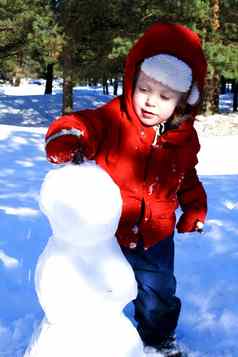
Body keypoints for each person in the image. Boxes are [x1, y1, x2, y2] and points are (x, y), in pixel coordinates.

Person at [44, 22, 207, 356]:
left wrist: (194, 209)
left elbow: (187, 177)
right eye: (144, 89)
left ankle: (159, 339)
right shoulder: (112, 120)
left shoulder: (184, 138)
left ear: (182, 102)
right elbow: (82, 124)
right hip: (109, 233)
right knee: (100, 287)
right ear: (133, 79)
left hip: (155, 235)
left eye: (165, 96)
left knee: (158, 292)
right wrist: (68, 137)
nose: (150, 102)